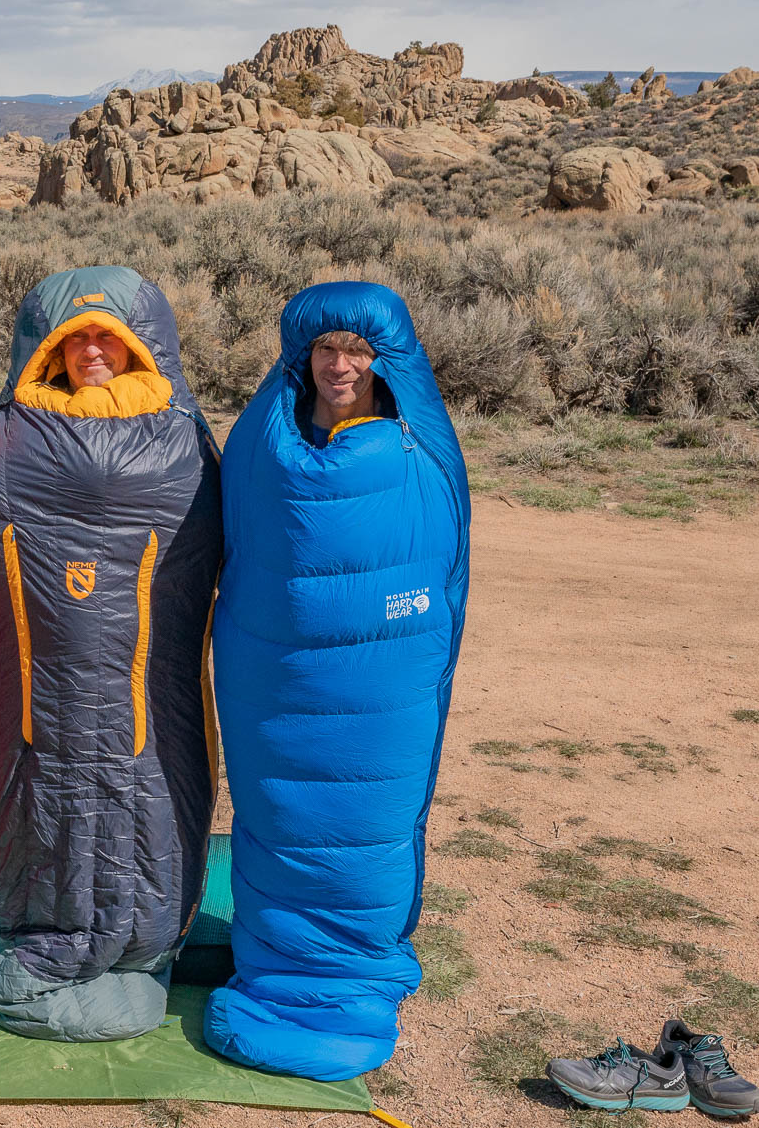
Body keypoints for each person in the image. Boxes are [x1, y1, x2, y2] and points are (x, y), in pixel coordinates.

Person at [203, 281, 470, 1082]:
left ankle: (346, 977)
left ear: (384, 359)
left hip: (382, 679)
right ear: (303, 354)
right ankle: (277, 969)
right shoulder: (264, 437)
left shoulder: (416, 443)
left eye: (357, 350)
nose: (341, 364)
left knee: (365, 818)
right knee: (280, 811)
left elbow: (446, 551)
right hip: (277, 674)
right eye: (327, 349)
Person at [0, 266, 223, 1042]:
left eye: (107, 336)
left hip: (144, 691)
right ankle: (39, 928)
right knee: (39, 774)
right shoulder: (7, 437)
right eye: (73, 336)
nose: (90, 349)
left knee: (143, 770)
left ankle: (139, 939)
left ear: (140, 347)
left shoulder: (182, 441)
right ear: (45, 350)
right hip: (36, 695)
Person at [305, 329, 388, 446]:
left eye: (356, 349)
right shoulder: (279, 427)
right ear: (310, 356)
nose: (340, 368)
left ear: (377, 359)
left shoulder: (404, 434)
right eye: (327, 348)